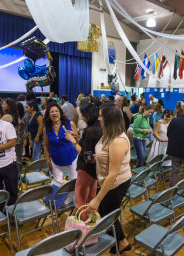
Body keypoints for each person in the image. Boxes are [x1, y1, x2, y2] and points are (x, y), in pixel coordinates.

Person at [86, 103, 132, 255]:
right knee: (108, 213)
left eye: (101, 116)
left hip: (116, 183)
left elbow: (113, 174)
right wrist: (95, 158)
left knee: (108, 214)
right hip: (107, 180)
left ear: (109, 119)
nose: (98, 118)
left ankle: (118, 246)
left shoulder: (118, 141)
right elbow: (105, 155)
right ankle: (122, 242)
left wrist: (97, 199)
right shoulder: (108, 134)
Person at [74, 103, 102, 220]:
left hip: (85, 170)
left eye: (83, 116)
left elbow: (86, 155)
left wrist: (73, 142)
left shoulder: (90, 130)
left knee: (80, 202)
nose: (82, 118)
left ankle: (84, 229)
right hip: (95, 170)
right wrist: (77, 137)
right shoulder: (100, 128)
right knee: (91, 199)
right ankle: (92, 225)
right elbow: (89, 147)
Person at [43, 102, 79, 182]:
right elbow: (46, 145)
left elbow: (78, 140)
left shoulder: (70, 123)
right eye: (52, 112)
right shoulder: (47, 128)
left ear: (60, 113)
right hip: (56, 159)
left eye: (56, 111)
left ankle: (72, 195)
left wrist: (75, 136)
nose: (54, 113)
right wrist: (48, 161)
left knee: (73, 181)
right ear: (48, 115)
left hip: (71, 157)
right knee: (57, 183)